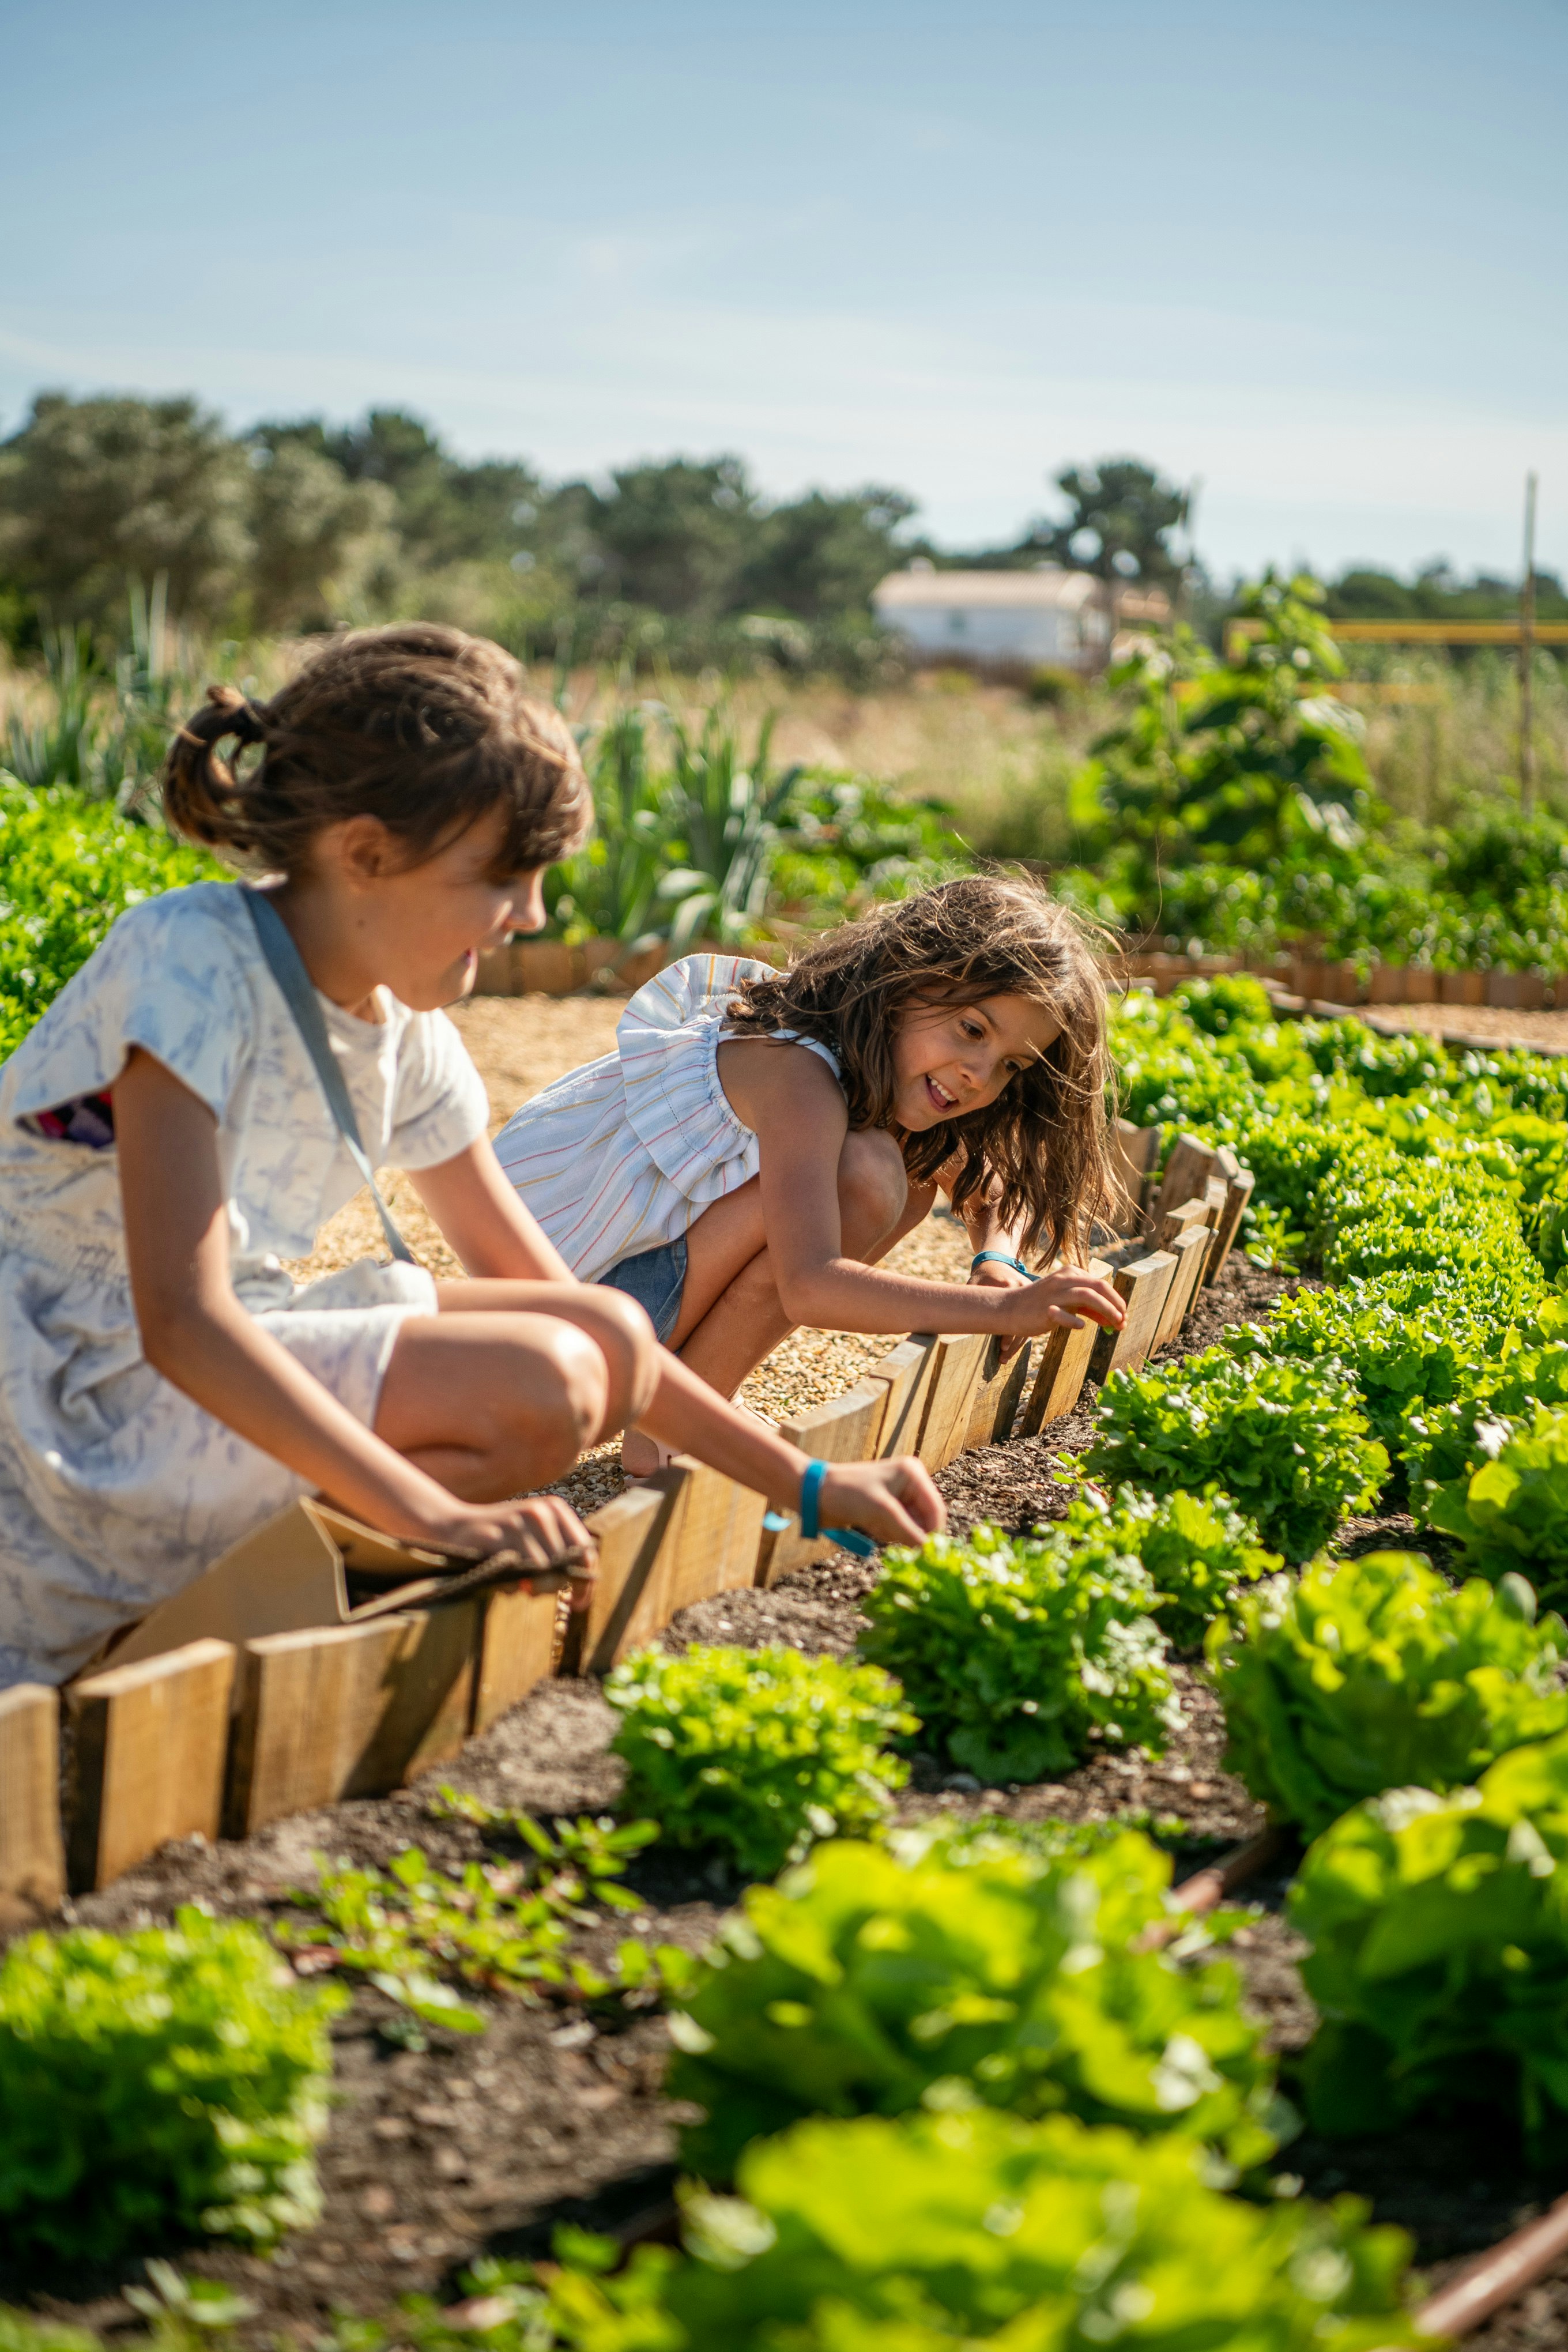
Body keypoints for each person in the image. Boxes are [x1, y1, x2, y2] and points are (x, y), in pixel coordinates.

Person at [0, 625, 941, 1691]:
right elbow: (185, 1323)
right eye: (505, 877)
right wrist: (437, 1517)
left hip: (205, 1358)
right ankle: (183, 1608)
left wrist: (810, 1485)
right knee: (540, 1382)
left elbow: (568, 1307)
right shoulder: (191, 966)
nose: (531, 917)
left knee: (601, 1335)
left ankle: (261, 1585)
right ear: (365, 854)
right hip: (65, 1389)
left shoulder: (404, 1031)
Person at [493, 874, 1127, 1473]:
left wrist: (998, 1262)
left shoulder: (865, 1058)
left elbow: (988, 1184)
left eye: (1011, 1065)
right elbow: (810, 1285)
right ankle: (674, 1430)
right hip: (580, 1340)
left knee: (909, 1170)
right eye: (970, 1029)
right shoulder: (798, 1077)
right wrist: (1005, 1311)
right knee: (873, 1176)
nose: (978, 1075)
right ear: (906, 980)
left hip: (603, 1313)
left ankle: (686, 1404)